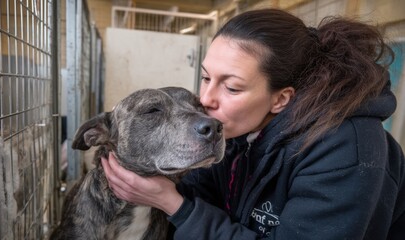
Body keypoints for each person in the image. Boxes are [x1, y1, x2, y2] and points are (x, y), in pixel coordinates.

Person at [101, 8, 405, 239]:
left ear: (281, 99)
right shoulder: (239, 126)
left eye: (231, 87)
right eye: (206, 77)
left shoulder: (346, 152)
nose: (206, 99)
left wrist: (173, 205)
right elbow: (201, 190)